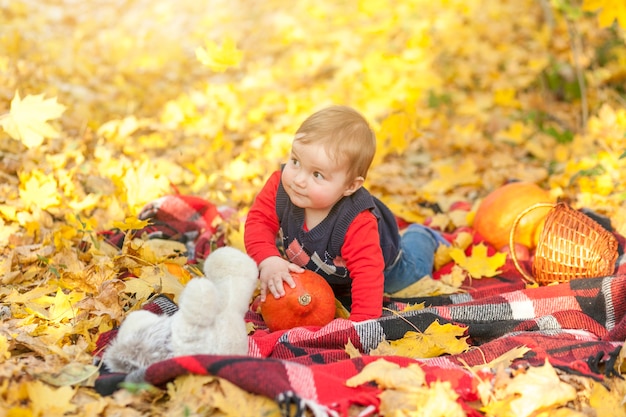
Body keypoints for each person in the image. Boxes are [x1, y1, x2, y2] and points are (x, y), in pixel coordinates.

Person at [244, 105, 448, 321]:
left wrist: (360, 327)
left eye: (317, 175)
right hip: (327, 269)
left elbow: (367, 274)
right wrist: (268, 259)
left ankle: (423, 235)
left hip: (386, 269)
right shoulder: (280, 187)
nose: (298, 179)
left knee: (410, 275)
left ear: (350, 186)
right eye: (296, 161)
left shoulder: (356, 221)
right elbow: (259, 222)